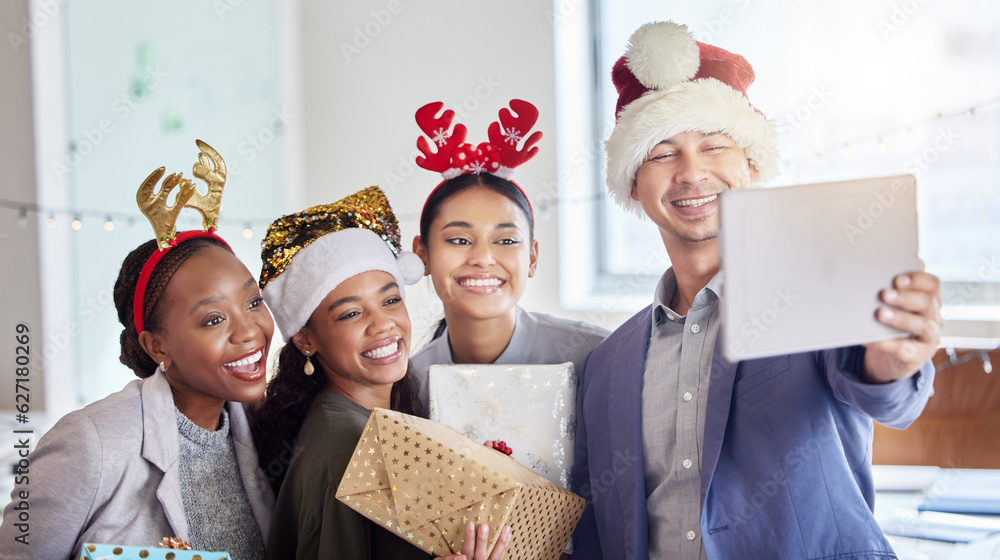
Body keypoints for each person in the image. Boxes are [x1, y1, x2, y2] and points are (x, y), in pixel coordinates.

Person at [571, 22, 941, 559]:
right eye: (661, 153)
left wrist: (896, 362)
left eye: (713, 145)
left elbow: (886, 391)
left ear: (750, 163)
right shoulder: (607, 364)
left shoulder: (817, 291)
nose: (691, 172)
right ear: (633, 182)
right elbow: (601, 527)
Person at [0, 141, 275, 559]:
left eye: (253, 302)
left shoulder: (265, 428)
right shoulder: (91, 444)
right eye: (214, 319)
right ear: (156, 345)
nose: (249, 331)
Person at [251, 186, 510, 560]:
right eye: (351, 313)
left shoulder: (380, 425)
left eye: (391, 300)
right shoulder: (346, 442)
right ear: (307, 339)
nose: (383, 325)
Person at [410, 100, 610, 414]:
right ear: (423, 255)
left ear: (531, 258)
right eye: (460, 240)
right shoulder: (410, 386)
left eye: (505, 240)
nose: (483, 257)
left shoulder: (595, 357)